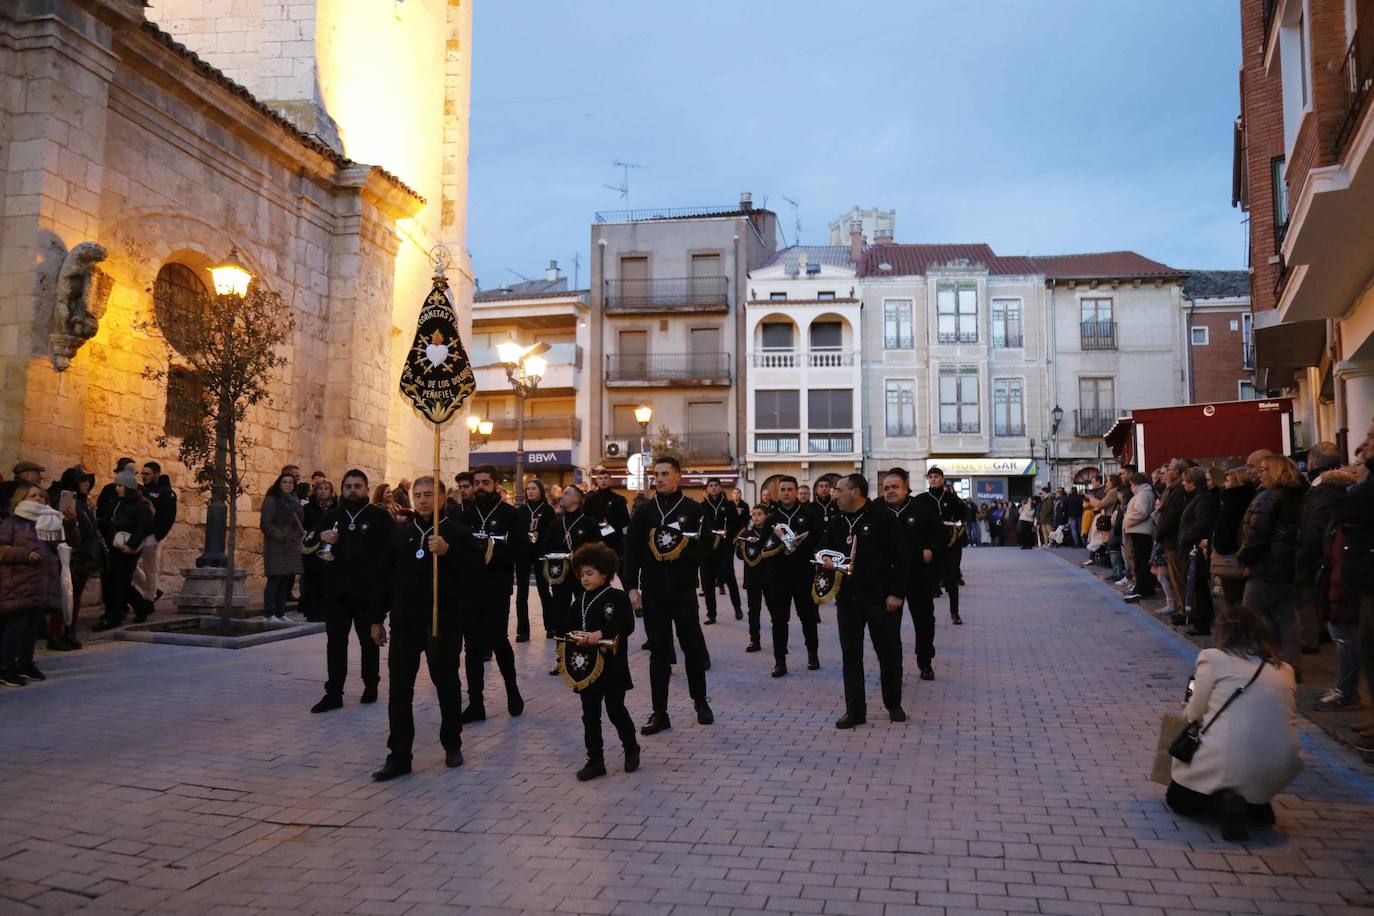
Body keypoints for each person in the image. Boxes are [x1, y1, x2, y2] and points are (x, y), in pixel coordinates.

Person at [1166, 603, 1302, 841]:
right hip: (1282, 763)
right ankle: (1256, 803)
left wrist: (1187, 711)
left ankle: (1226, 802)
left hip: (1230, 758)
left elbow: (1194, 713)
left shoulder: (1213, 658)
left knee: (1176, 798)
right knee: (1243, 771)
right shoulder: (1285, 669)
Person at [369, 476, 469, 781]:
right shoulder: (401, 535)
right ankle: (399, 755)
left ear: (441, 499)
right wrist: (376, 618)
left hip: (442, 624)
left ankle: (452, 743)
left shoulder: (456, 533)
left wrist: (449, 551)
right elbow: (384, 579)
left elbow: (474, 572)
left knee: (447, 685)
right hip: (405, 624)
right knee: (399, 690)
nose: (424, 500)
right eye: (419, 495)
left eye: (429, 495)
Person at [624, 456, 713, 734]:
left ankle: (700, 701)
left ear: (678, 476)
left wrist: (680, 552)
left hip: (683, 590)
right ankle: (659, 712)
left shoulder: (694, 510)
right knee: (659, 652)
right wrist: (631, 587)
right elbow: (631, 552)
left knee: (693, 647)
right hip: (653, 592)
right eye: (656, 474)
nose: (659, 478)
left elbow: (706, 547)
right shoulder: (644, 513)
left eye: (665, 473)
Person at [822, 474, 906, 728]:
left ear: (856, 491)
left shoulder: (883, 518)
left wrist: (897, 593)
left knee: (888, 652)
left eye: (839, 490)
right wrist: (824, 560)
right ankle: (855, 710)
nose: (834, 495)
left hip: (880, 598)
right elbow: (822, 549)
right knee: (851, 655)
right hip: (848, 599)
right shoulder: (836, 522)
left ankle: (894, 704)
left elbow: (901, 558)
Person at [307, 468, 394, 713]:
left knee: (369, 642)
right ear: (342, 489)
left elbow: (391, 556)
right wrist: (321, 536)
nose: (353, 490)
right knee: (335, 644)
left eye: (358, 486)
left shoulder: (380, 517)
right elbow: (308, 544)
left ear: (366, 489)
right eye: (348, 486)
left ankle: (371, 686)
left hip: (369, 594)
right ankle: (334, 693)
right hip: (336, 594)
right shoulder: (331, 516)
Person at [563, 542, 641, 781]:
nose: (584, 579)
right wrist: (573, 636)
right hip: (588, 667)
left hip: (613, 666)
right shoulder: (581, 600)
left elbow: (627, 624)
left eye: (590, 573)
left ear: (604, 573)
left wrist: (601, 634)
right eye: (581, 574)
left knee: (615, 710)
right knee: (590, 714)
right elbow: (570, 625)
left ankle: (631, 748)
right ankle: (595, 760)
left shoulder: (616, 597)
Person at [457, 465, 524, 722]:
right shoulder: (464, 514)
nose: (480, 487)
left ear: (496, 484)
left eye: (485, 482)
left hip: (497, 588)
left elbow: (519, 550)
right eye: (477, 483)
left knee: (498, 641)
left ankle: (512, 690)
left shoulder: (510, 514)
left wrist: (491, 551)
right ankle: (476, 704)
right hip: (469, 589)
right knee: (472, 647)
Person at [0, 485, 75, 685]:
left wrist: (70, 523)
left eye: (41, 495)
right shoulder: (12, 522)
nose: (38, 498)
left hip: (41, 583)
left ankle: (26, 663)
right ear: (21, 499)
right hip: (18, 583)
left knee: (32, 627)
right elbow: (2, 549)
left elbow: (69, 543)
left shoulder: (51, 521)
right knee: (15, 627)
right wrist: (24, 554)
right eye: (33, 495)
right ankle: (6, 667)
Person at [1236, 455, 1306, 670]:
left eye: (1265, 469)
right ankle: (1289, 664)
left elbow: (1258, 532)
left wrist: (1244, 557)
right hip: (1286, 563)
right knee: (1285, 615)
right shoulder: (1295, 494)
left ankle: (1261, 662)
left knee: (1252, 614)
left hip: (1267, 564)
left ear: (1275, 471)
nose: (1260, 473)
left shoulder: (1270, 496)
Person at [882, 468, 942, 680]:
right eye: (886, 488)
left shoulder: (921, 509)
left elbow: (939, 535)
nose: (890, 491)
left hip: (918, 576)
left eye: (895, 487)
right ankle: (894, 667)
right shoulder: (877, 511)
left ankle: (925, 661)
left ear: (905, 488)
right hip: (888, 579)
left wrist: (930, 551)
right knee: (889, 628)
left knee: (924, 622)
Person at [538, 485, 604, 675]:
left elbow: (598, 547)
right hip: (560, 578)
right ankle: (561, 659)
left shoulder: (589, 523)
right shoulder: (556, 524)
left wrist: (582, 558)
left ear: (576, 499)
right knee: (560, 618)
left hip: (582, 577)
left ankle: (588, 657)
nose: (561, 496)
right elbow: (545, 548)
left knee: (586, 614)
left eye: (566, 494)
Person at [764, 475, 825, 675]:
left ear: (796, 491)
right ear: (778, 492)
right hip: (778, 576)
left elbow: (819, 539)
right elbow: (763, 543)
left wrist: (802, 543)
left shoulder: (808, 514)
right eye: (783, 490)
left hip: (803, 574)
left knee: (807, 617)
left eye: (790, 489)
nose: (786, 493)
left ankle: (813, 655)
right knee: (779, 619)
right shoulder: (771, 518)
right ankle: (779, 661)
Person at [1295, 443, 1344, 654]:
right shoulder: (1332, 489)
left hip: (1319, 556)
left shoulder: (1322, 491)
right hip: (1328, 555)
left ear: (1312, 462)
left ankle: (1312, 636)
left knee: (1309, 598)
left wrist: (1303, 554)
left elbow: (1316, 528)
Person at [45, 466, 102, 650]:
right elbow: (65, 529)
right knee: (64, 596)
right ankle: (56, 634)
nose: (87, 484)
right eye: (83, 480)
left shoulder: (85, 502)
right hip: (70, 555)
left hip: (84, 555)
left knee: (74, 597)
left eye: (87, 480)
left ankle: (70, 632)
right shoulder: (67, 500)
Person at [92, 469, 154, 630]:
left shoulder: (141, 506)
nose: (117, 488)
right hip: (114, 547)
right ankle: (141, 607)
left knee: (119, 582)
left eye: (120, 485)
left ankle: (115, 616)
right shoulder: (118, 503)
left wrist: (132, 545)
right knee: (118, 582)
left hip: (128, 549)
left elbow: (142, 527)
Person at [913, 467, 964, 624]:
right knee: (927, 582)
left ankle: (955, 613)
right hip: (929, 547)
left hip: (948, 546)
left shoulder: (951, 498)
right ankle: (927, 616)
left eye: (936, 476)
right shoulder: (921, 499)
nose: (933, 479)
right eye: (930, 477)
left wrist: (956, 532)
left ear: (942, 479)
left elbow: (963, 516)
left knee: (952, 580)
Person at [259, 471, 304, 623]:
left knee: (285, 580)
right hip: (276, 545)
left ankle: (280, 612)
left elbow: (299, 522)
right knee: (274, 580)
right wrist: (281, 535)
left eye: (291, 482)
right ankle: (268, 614)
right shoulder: (272, 500)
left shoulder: (295, 501)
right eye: (285, 482)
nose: (288, 485)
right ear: (279, 483)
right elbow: (265, 524)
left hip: (291, 545)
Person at [1178, 467, 1219, 634]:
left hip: (1197, 548)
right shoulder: (1197, 497)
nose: (1183, 484)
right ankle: (1200, 619)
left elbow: (1202, 523)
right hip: (1193, 546)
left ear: (1192, 483)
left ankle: (1204, 622)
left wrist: (1186, 536)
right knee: (1197, 586)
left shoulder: (1203, 499)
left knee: (1200, 586)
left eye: (1185, 481)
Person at [735, 505, 781, 653]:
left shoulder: (771, 534)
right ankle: (754, 640)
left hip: (769, 577)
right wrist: (746, 544)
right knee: (753, 611)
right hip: (753, 577)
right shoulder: (747, 534)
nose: (755, 517)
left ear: (767, 516)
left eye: (759, 514)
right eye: (753, 514)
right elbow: (739, 555)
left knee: (774, 609)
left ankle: (779, 639)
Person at [133, 461, 177, 611]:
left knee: (150, 567)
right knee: (131, 565)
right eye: (143, 474)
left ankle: (149, 598)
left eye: (147, 474)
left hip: (153, 534)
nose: (144, 477)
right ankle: (153, 590)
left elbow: (169, 516)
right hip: (141, 532)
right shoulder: (143, 490)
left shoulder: (165, 492)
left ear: (156, 474)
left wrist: (158, 535)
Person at [514, 478, 554, 642]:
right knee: (521, 593)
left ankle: (551, 626)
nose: (530, 491)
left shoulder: (548, 510)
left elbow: (551, 531)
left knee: (544, 590)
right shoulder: (521, 510)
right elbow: (516, 530)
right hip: (523, 553)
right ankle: (523, 631)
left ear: (540, 491)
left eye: (534, 488)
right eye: (528, 488)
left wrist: (540, 536)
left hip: (540, 553)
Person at [698, 478, 742, 624]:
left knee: (730, 579)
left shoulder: (728, 505)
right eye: (711, 485)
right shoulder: (702, 506)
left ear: (721, 488)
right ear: (707, 489)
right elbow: (698, 526)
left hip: (724, 548)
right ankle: (712, 614)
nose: (714, 488)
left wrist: (728, 536)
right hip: (707, 550)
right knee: (708, 582)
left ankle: (737, 608)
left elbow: (737, 524)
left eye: (716, 485)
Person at [1154, 460, 1189, 618]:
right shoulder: (1172, 490)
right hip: (1169, 538)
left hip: (1173, 539)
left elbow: (1171, 517)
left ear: (1176, 473)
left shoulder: (1178, 491)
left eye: (1168, 470)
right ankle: (1180, 607)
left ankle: (1183, 609)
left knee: (1177, 576)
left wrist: (1160, 533)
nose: (1164, 473)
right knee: (1173, 576)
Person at [299, 476, 336, 622]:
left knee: (327, 581)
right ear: (315, 490)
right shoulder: (308, 508)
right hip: (312, 548)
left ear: (331, 491)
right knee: (312, 580)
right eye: (320, 489)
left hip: (330, 548)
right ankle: (313, 612)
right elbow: (305, 527)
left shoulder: (336, 508)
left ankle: (326, 611)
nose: (323, 492)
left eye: (326, 489)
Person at [1122, 473, 1158, 602]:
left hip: (1140, 531)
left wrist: (1127, 520)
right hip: (1139, 531)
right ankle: (1144, 587)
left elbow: (1141, 512)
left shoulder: (1143, 494)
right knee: (1140, 561)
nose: (1131, 487)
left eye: (1131, 484)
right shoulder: (1143, 494)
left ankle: (1142, 588)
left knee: (1141, 561)